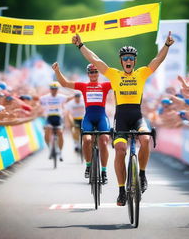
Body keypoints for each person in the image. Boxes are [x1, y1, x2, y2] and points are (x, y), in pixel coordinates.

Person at [72, 32, 174, 206]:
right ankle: (121, 191)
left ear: (134, 61)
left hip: (137, 116)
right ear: (121, 61)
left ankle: (141, 174)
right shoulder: (114, 74)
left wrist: (166, 45)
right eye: (125, 58)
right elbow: (95, 60)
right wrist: (81, 45)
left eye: (131, 58)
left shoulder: (141, 73)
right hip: (121, 118)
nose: (128, 61)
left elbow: (157, 60)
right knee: (120, 149)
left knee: (145, 139)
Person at [51, 62, 111, 184]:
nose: (93, 74)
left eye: (95, 72)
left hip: (101, 117)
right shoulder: (84, 86)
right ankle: (88, 165)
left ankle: (104, 171)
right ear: (88, 74)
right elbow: (65, 83)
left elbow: (121, 83)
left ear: (98, 73)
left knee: (104, 141)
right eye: (91, 72)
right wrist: (57, 71)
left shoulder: (105, 86)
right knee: (87, 140)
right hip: (88, 117)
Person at [40, 81, 73, 161]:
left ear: (57, 89)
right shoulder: (45, 97)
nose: (54, 90)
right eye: (52, 89)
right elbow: (38, 101)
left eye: (55, 89)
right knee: (47, 129)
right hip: (49, 117)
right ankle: (49, 147)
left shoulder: (61, 97)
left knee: (60, 132)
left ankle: (60, 152)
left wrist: (76, 93)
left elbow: (69, 98)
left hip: (58, 117)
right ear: (50, 89)